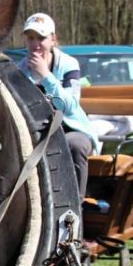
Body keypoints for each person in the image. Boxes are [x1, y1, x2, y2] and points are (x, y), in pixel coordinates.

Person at [16, 13, 100, 202]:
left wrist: (46, 76)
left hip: (72, 129)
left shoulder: (68, 64)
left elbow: (70, 106)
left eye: (41, 38)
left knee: (74, 145)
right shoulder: (19, 71)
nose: (35, 43)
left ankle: (76, 205)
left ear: (53, 39)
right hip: (38, 132)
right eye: (30, 38)